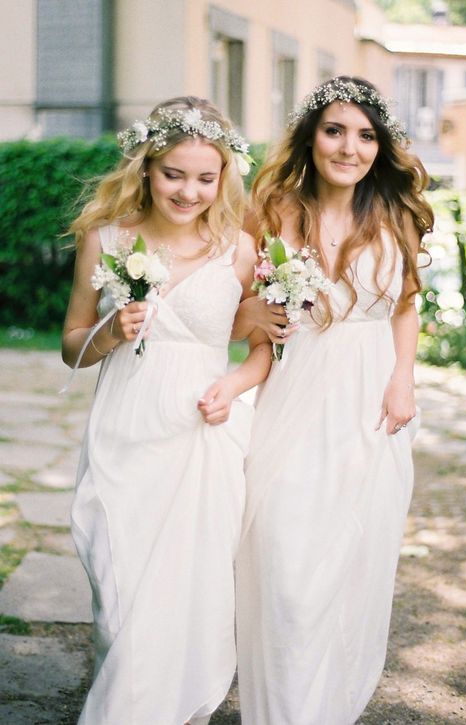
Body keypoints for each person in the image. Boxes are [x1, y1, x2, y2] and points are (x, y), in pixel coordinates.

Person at [62, 96, 271, 725]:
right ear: (146, 168)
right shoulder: (105, 241)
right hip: (126, 428)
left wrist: (233, 388)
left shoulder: (239, 249)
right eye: (174, 174)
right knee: (119, 582)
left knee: (191, 588)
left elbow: (263, 348)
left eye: (206, 178)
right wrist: (109, 330)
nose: (189, 190)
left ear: (224, 176)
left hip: (204, 435)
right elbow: (72, 347)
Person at [233, 76, 434, 724]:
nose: (351, 147)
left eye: (366, 134)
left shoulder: (393, 213)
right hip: (293, 393)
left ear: (380, 145)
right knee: (285, 564)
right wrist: (251, 314)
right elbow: (229, 313)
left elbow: (405, 304)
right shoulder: (271, 211)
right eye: (336, 130)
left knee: (351, 563)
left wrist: (403, 376)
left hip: (370, 402)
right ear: (311, 136)